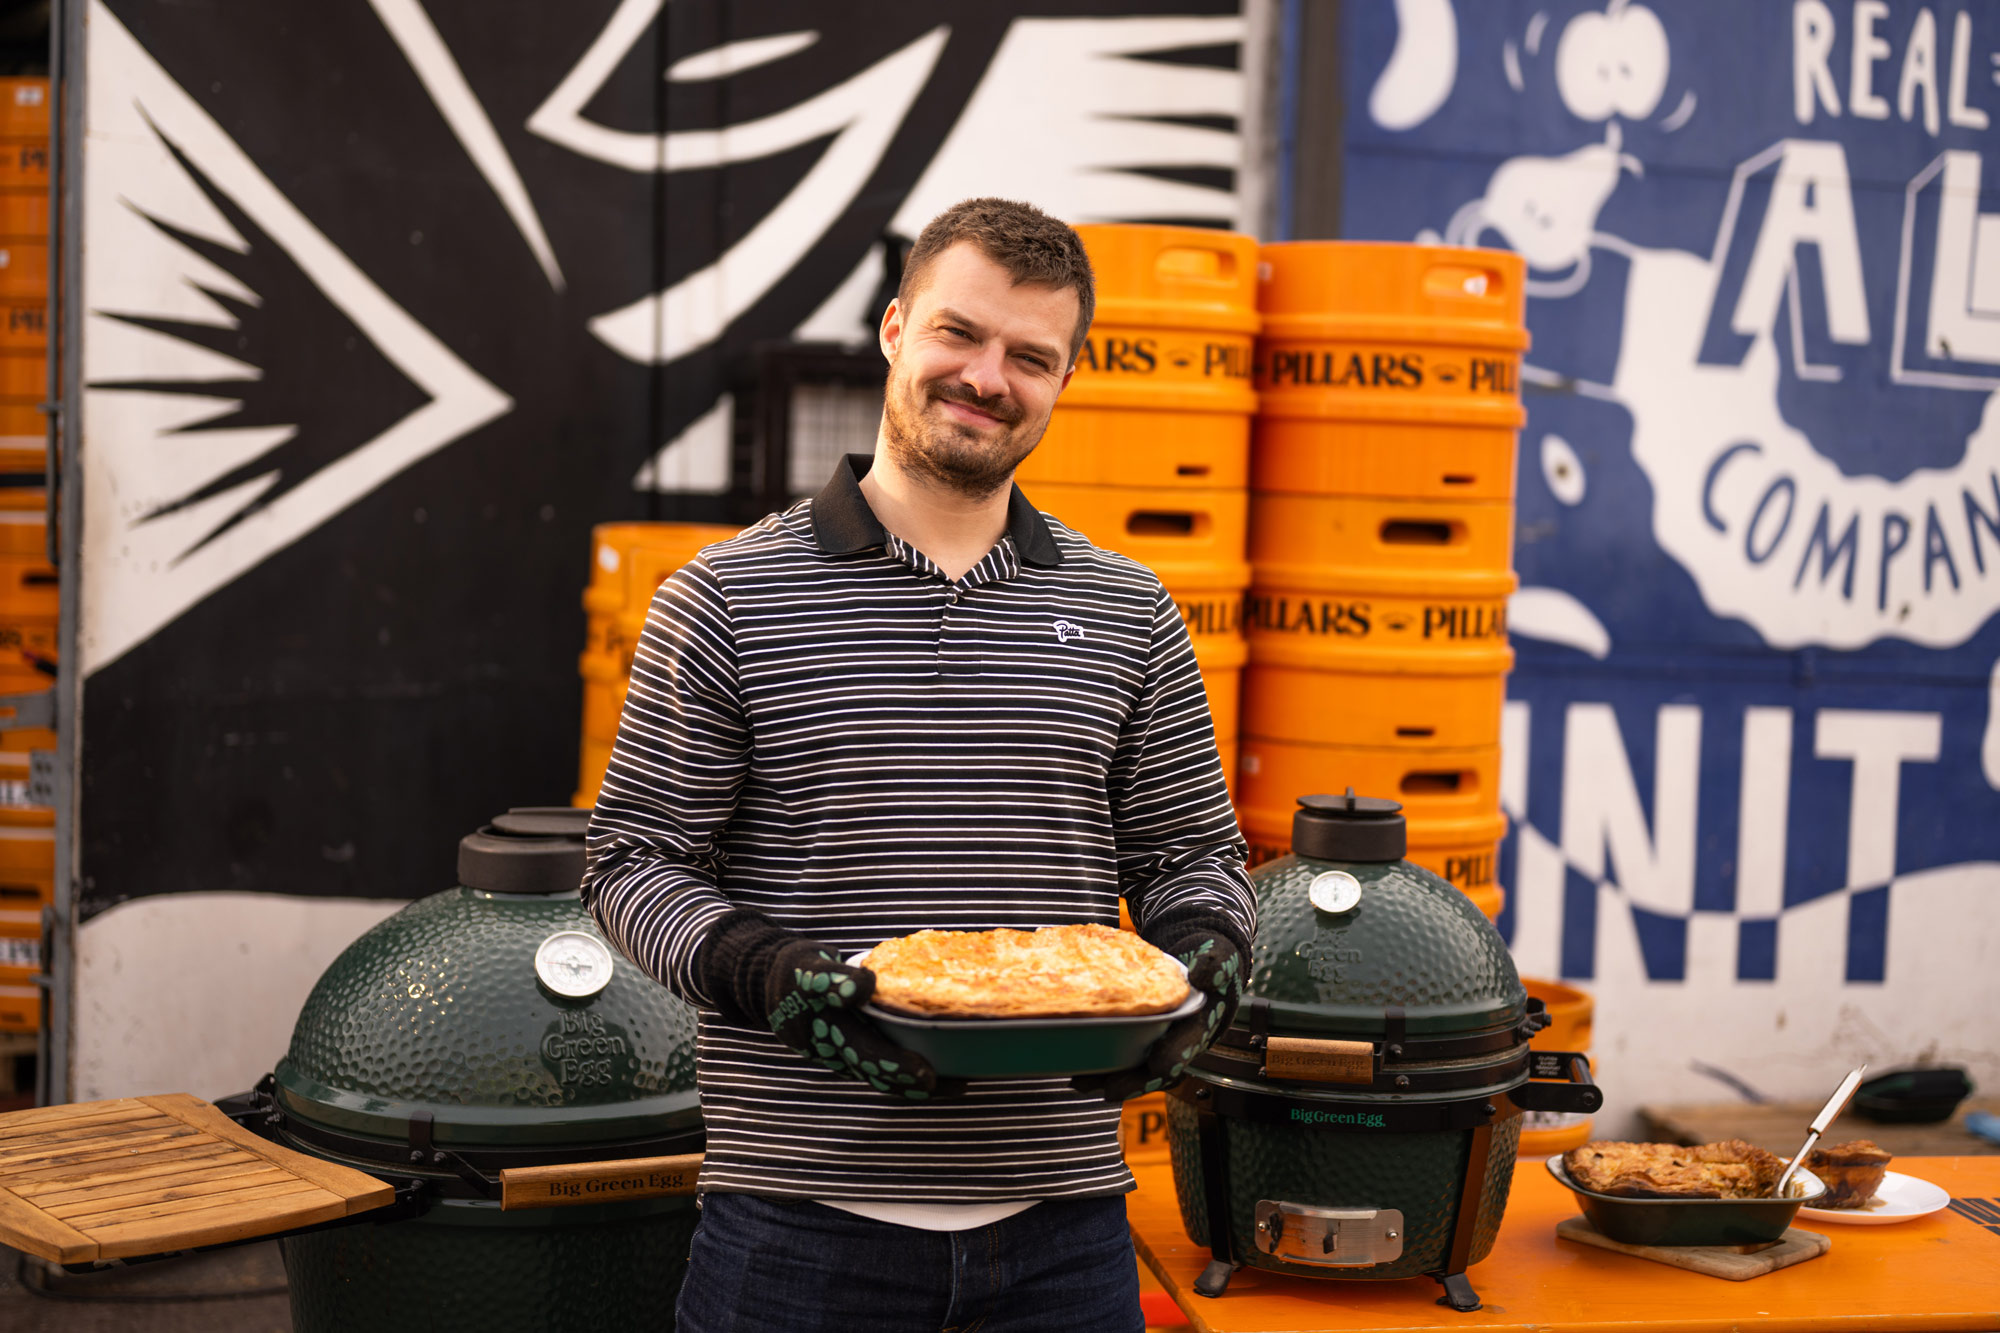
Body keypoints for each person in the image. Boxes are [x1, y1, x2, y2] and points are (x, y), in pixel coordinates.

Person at [583, 197, 1254, 1333]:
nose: (987, 377)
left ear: (1063, 380)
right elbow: (631, 864)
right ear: (895, 329)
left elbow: (1192, 851)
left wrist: (1212, 956)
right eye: (961, 333)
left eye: (1030, 356)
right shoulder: (726, 599)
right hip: (793, 1230)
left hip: (1066, 1233)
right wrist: (768, 974)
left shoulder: (1128, 609)